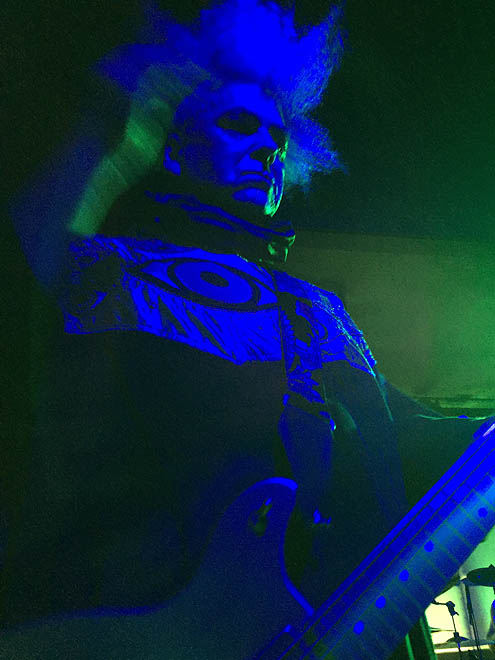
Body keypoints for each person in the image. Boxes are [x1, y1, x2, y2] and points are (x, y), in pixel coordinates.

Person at [3, 1, 493, 657]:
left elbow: (398, 443)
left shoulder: (316, 308)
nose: (268, 147)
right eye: (238, 124)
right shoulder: (110, 267)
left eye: (279, 139)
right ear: (172, 147)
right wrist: (107, 150)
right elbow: (24, 298)